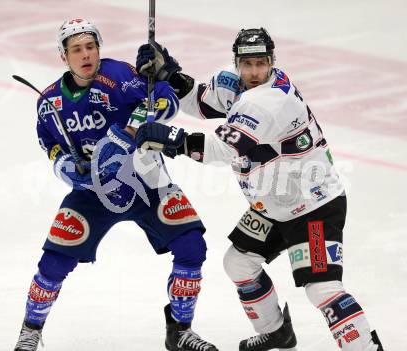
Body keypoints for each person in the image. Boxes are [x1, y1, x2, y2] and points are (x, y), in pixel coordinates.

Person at [134, 28, 385, 351]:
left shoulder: (268, 100)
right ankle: (277, 331)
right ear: (237, 63)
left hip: (313, 206)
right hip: (275, 204)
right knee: (239, 263)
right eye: (247, 64)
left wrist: (172, 139)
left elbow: (224, 149)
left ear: (272, 62)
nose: (254, 72)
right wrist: (168, 74)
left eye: (261, 63)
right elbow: (200, 100)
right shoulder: (238, 85)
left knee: (322, 289)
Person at [13, 18, 218, 351]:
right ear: (63, 57)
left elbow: (164, 99)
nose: (86, 54)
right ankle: (30, 330)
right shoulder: (50, 101)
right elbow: (50, 143)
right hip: (93, 193)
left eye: (91, 46)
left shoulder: (119, 76)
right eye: (77, 49)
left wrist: (131, 130)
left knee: (192, 246)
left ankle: (179, 331)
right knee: (53, 262)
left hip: (146, 181)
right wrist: (67, 167)